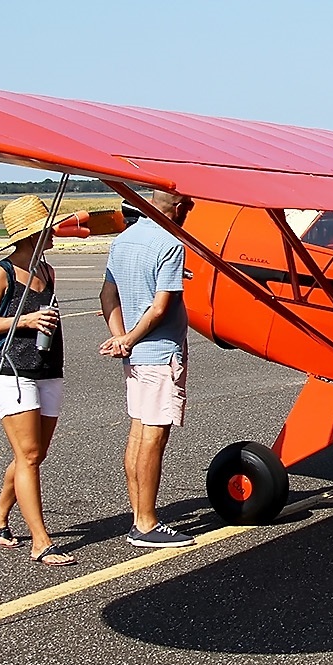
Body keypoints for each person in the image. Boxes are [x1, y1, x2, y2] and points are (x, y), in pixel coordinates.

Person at [0, 196, 73, 566]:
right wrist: (27, 322)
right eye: (48, 228)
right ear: (32, 234)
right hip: (11, 370)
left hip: (48, 368)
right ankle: (41, 541)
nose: (54, 232)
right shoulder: (0, 272)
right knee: (29, 456)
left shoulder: (47, 270)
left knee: (35, 453)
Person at [101, 189, 199, 548]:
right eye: (186, 205)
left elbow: (107, 295)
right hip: (160, 353)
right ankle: (146, 523)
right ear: (175, 207)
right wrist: (129, 339)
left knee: (138, 431)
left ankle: (138, 515)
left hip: (135, 354)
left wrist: (121, 337)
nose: (188, 210)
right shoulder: (171, 244)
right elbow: (160, 308)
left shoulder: (124, 239)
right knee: (154, 436)